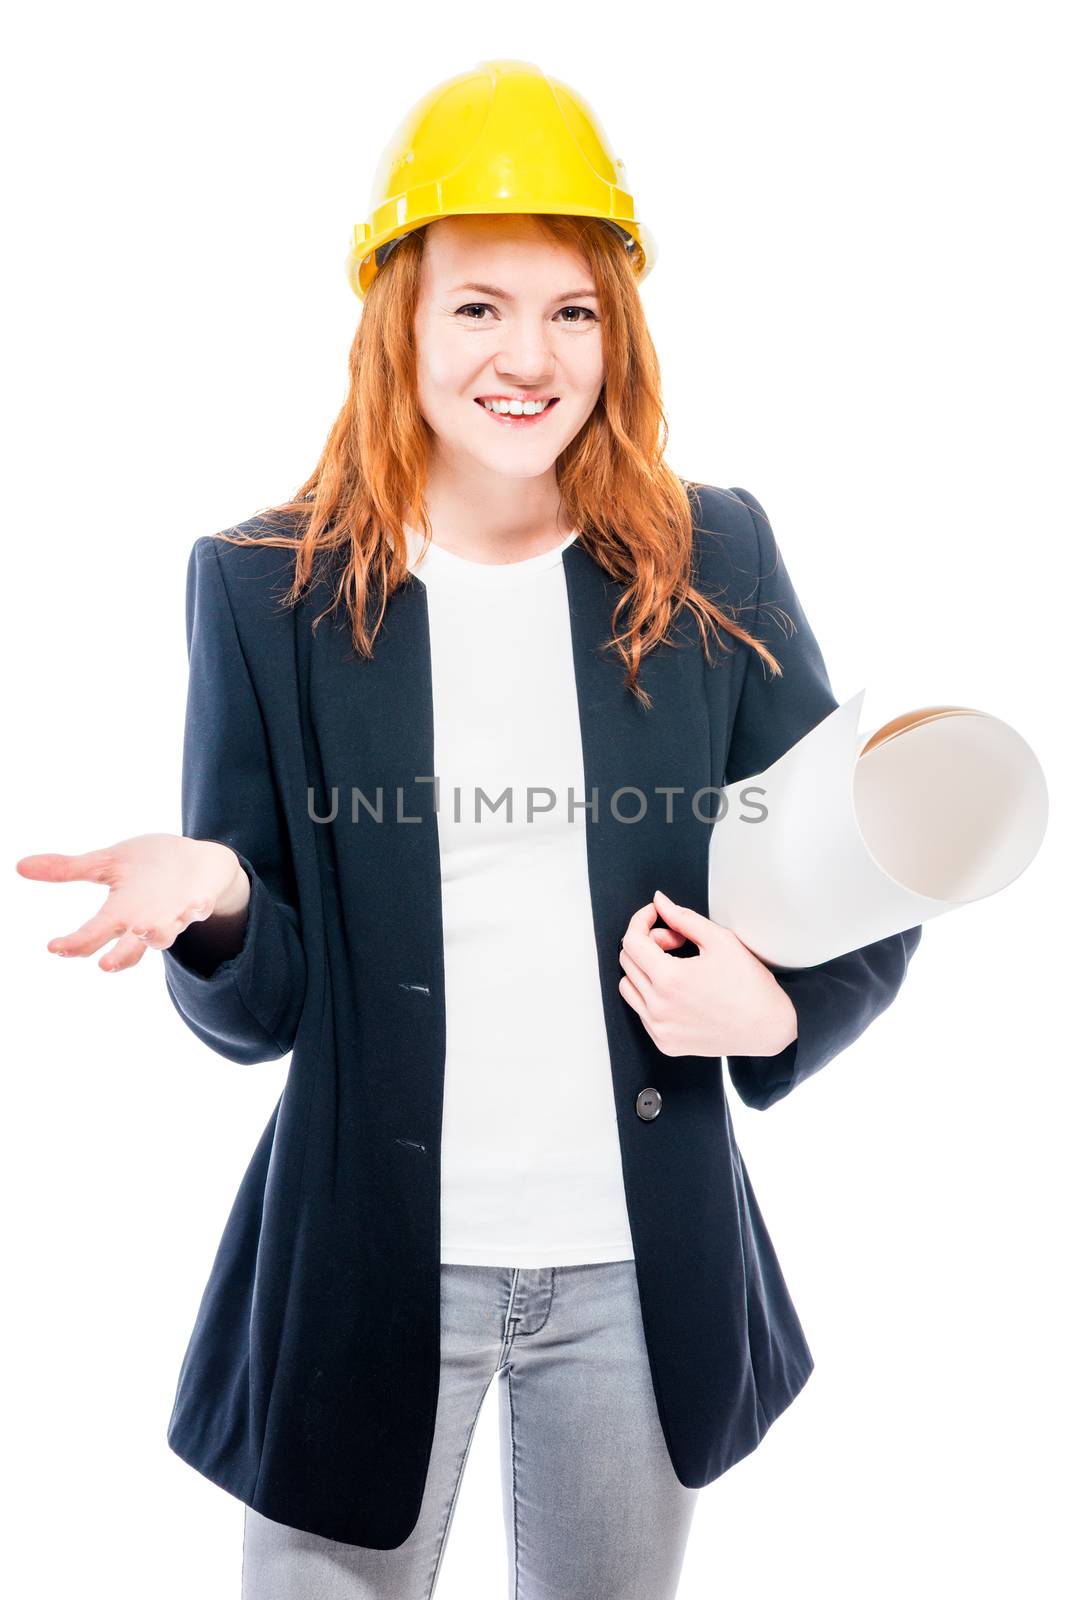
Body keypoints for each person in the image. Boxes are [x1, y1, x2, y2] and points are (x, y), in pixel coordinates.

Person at [17, 59, 923, 1600]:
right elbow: (266, 1012)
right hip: (367, 1274)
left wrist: (769, 1007)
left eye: (571, 309)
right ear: (403, 327)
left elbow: (858, 870)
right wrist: (224, 896)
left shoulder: (713, 555)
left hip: (640, 1279)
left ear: (615, 329)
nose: (529, 355)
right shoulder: (264, 587)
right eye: (480, 307)